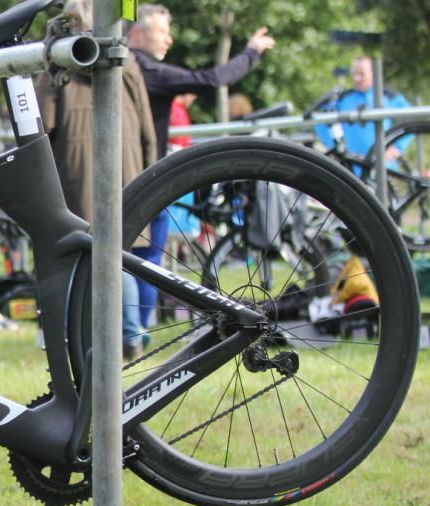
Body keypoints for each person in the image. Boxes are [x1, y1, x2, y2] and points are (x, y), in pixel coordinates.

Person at [128, 4, 274, 338]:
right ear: (137, 33)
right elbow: (210, 79)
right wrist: (252, 52)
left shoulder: (121, 67)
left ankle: (124, 334)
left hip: (127, 173)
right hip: (142, 176)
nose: (169, 39)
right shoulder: (145, 71)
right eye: (162, 31)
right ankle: (131, 336)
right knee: (146, 261)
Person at [35, 0, 156, 360]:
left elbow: (42, 124)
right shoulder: (127, 60)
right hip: (126, 168)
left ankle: (78, 339)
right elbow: (148, 128)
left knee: (76, 260)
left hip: (74, 172)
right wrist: (149, 173)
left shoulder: (59, 61)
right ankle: (131, 338)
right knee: (120, 256)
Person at [315, 56, 411, 162]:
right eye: (354, 74)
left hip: (383, 166)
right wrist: (334, 146)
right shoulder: (343, 98)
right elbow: (320, 120)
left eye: (361, 74)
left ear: (373, 73)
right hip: (352, 166)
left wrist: (397, 148)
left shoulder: (388, 96)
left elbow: (412, 121)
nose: (356, 78)